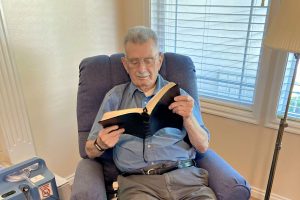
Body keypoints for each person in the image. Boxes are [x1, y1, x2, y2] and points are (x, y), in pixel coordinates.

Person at [85, 26, 217, 200]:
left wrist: (188, 117)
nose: (141, 69)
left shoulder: (180, 96)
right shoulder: (114, 97)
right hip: (138, 186)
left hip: (187, 181)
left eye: (148, 60)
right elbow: (89, 150)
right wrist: (100, 144)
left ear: (159, 60)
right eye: (134, 62)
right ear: (125, 64)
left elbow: (203, 146)